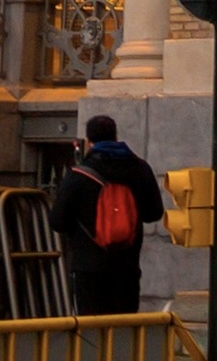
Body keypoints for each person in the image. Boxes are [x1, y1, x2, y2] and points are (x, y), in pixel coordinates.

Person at [51, 113, 168, 318]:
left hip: (89, 270)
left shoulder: (79, 175)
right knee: (123, 328)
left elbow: (58, 221)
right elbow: (154, 213)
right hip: (127, 268)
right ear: (116, 137)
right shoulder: (140, 169)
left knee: (93, 331)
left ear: (89, 142)